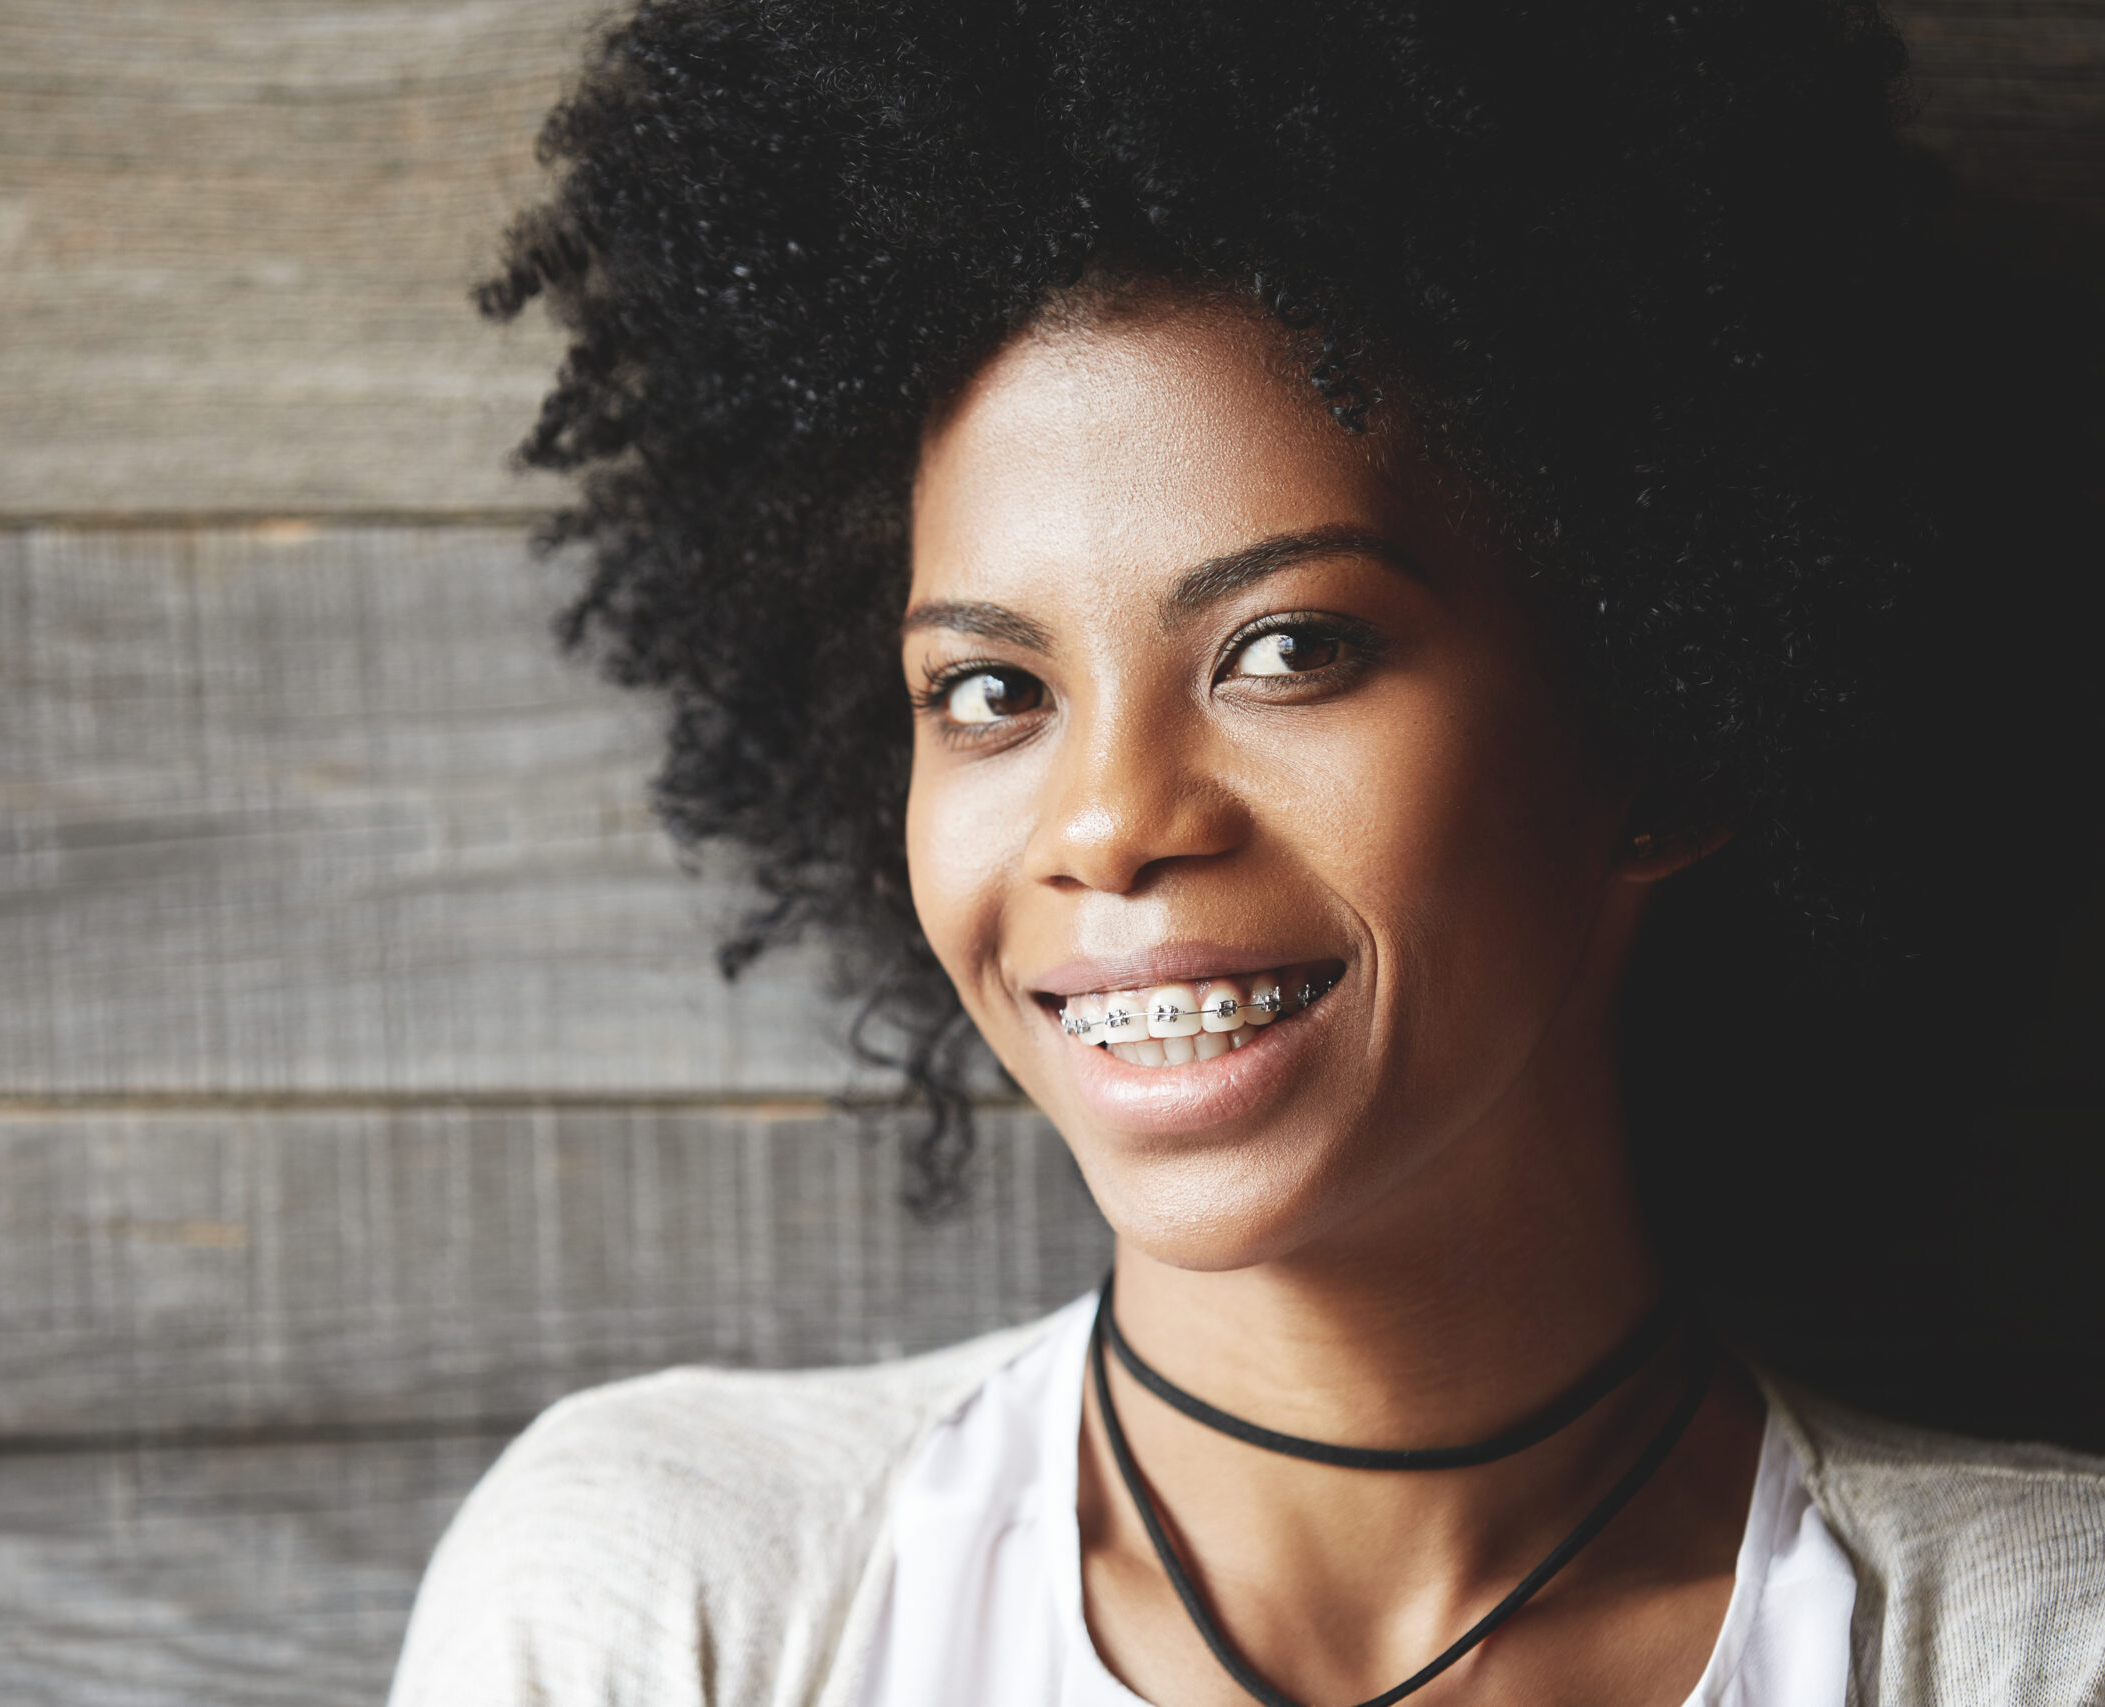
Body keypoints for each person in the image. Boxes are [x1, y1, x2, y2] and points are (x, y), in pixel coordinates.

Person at [391, 0, 2105, 1701]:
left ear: (1665, 712)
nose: (1110, 821)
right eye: (992, 688)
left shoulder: (2036, 1643)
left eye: (1289, 649)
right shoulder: (681, 1594)